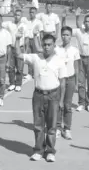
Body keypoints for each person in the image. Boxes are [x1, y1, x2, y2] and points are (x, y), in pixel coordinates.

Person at [15, 32, 67, 163]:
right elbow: (18, 54)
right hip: (38, 95)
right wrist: (17, 39)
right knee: (38, 125)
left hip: (53, 96)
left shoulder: (59, 60)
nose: (46, 47)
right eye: (44, 44)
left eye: (49, 44)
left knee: (51, 126)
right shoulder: (36, 57)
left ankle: (50, 151)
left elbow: (63, 82)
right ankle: (38, 150)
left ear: (54, 45)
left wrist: (61, 101)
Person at [62, 8, 89, 112]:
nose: (88, 23)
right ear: (83, 23)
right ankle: (81, 103)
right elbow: (66, 30)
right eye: (86, 21)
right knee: (81, 82)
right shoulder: (79, 32)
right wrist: (64, 18)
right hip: (81, 59)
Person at [55, 26, 80, 140]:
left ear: (71, 36)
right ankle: (58, 127)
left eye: (67, 35)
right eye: (63, 35)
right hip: (59, 80)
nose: (65, 37)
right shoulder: (56, 49)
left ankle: (67, 128)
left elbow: (76, 68)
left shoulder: (74, 50)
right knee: (58, 104)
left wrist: (76, 83)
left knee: (67, 105)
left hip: (70, 80)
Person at [2, 9, 27, 92]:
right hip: (12, 48)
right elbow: (0, 23)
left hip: (20, 48)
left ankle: (18, 84)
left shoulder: (24, 26)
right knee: (11, 67)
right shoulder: (10, 24)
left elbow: (26, 38)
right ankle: (12, 83)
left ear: (21, 16)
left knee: (19, 67)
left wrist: (26, 50)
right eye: (15, 15)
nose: (17, 16)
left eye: (18, 15)